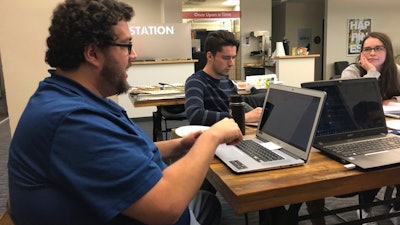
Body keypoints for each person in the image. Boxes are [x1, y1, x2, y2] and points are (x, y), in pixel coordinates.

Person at [7, 1, 244, 225]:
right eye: (127, 45)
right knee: (205, 204)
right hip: (157, 208)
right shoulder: (73, 121)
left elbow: (116, 153)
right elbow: (165, 208)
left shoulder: (71, 99)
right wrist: (213, 136)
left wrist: (178, 146)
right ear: (93, 54)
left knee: (207, 202)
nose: (133, 55)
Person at [307, 31, 400, 225]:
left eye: (378, 48)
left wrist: (393, 100)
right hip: (358, 129)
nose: (372, 53)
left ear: (388, 51)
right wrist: (372, 73)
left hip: (388, 127)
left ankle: (396, 206)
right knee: (373, 165)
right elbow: (355, 102)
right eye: (367, 49)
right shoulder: (352, 71)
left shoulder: (396, 71)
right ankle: (364, 210)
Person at [185, 30, 262, 126]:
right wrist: (242, 117)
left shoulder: (228, 83)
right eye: (226, 58)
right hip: (211, 138)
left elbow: (238, 110)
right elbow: (195, 116)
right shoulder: (196, 82)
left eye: (233, 57)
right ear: (210, 56)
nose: (231, 63)